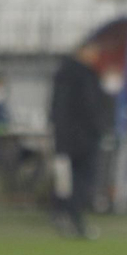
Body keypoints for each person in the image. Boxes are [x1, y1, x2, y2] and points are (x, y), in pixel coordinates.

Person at [49, 41, 111, 239]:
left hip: (67, 140)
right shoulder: (83, 77)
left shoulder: (65, 75)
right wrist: (100, 128)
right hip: (81, 141)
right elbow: (90, 108)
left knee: (66, 182)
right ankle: (74, 220)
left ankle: (63, 216)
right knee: (80, 182)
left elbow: (55, 110)